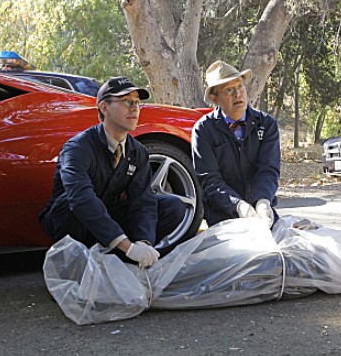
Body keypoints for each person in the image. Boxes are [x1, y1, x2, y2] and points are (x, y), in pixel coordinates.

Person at [39, 76, 186, 268]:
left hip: (110, 216)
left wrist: (143, 243)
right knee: (70, 203)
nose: (134, 108)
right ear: (104, 108)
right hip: (74, 223)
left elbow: (143, 202)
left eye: (137, 102)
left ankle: (126, 264)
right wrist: (127, 245)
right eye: (126, 101)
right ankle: (76, 265)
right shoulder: (78, 148)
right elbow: (81, 198)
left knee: (172, 206)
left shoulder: (138, 151)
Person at [192, 60, 280, 228]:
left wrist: (262, 202)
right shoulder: (203, 130)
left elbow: (269, 169)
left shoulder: (267, 124)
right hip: (222, 217)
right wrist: (238, 205)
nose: (238, 94)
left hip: (263, 214)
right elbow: (210, 180)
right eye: (229, 90)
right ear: (214, 98)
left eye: (240, 87)